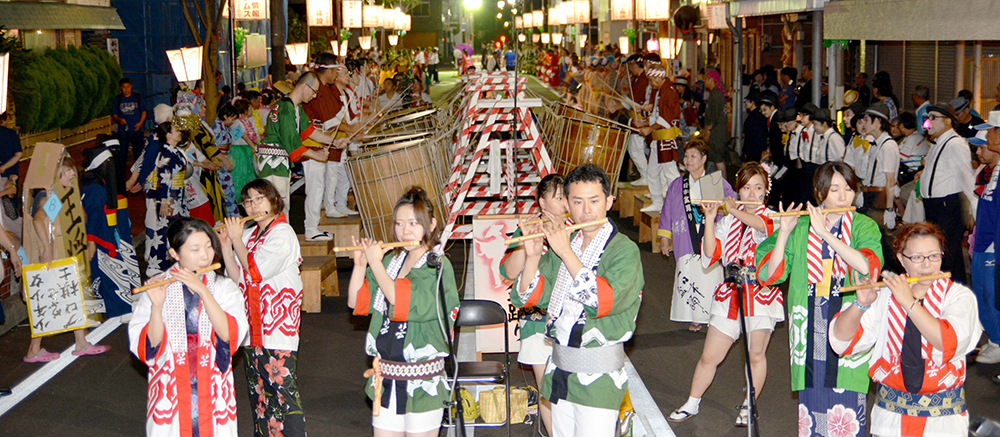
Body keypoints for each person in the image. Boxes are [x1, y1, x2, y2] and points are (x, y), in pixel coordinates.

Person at [513, 164, 642, 437]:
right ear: (568, 204)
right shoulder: (567, 244)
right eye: (577, 201)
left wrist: (563, 250)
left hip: (599, 376)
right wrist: (534, 257)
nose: (586, 210)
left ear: (609, 201)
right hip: (560, 368)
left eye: (594, 201)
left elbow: (601, 300)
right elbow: (527, 297)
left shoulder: (624, 250)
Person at [756, 161, 884, 437]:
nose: (842, 196)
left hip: (849, 324)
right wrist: (785, 233)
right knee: (813, 413)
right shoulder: (801, 226)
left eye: (848, 189)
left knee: (847, 413)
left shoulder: (864, 225)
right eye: (834, 189)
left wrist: (826, 233)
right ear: (819, 192)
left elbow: (867, 267)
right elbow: (770, 276)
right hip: (810, 326)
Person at [830, 222, 981, 437]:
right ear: (901, 259)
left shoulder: (959, 296)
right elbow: (841, 341)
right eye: (918, 258)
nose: (927, 265)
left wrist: (908, 302)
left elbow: (947, 341)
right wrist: (860, 305)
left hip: (943, 422)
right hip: (889, 420)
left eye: (934, 256)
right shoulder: (885, 295)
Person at [668, 163, 783, 427]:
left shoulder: (773, 218)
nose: (752, 194)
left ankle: (748, 405)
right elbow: (710, 255)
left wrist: (731, 209)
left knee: (755, 355)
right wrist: (710, 218)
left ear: (766, 191)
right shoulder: (729, 219)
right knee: (709, 356)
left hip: (760, 295)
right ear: (739, 190)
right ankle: (692, 402)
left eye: (758, 188)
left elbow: (762, 227)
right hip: (730, 294)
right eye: (746, 188)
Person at [348, 186, 459, 436]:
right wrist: (360, 265)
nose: (404, 230)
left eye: (413, 222)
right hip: (386, 376)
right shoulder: (391, 261)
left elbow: (401, 301)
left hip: (423, 381)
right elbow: (356, 303)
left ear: (431, 224)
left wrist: (375, 264)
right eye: (398, 223)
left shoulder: (438, 265)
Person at [128, 217, 249, 436]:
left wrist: (203, 291)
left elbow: (229, 337)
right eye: (195, 249)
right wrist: (156, 307)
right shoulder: (158, 284)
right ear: (174, 253)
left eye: (209, 246)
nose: (205, 255)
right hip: (171, 385)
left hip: (212, 383)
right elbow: (149, 348)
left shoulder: (225, 288)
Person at [219, 179, 306, 436]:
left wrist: (236, 241)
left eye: (259, 198)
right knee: (260, 397)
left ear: (273, 200)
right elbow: (236, 278)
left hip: (277, 325)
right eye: (248, 201)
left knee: (283, 394)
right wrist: (226, 244)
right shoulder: (247, 235)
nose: (253, 205)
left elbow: (255, 271)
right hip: (252, 325)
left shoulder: (283, 233)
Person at [23, 154, 111, 362]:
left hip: (64, 258)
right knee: (47, 304)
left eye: (72, 169)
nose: (73, 173)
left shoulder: (65, 194)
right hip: (55, 259)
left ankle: (80, 343)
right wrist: (46, 248)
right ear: (55, 175)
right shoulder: (52, 197)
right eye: (67, 171)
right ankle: (34, 349)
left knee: (70, 299)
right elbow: (38, 220)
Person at [501, 174, 568, 436]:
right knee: (548, 392)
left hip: (570, 322)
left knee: (572, 391)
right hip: (538, 323)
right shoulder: (528, 229)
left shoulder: (576, 228)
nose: (565, 202)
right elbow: (507, 273)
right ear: (542, 202)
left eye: (567, 196)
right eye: (559, 197)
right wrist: (526, 245)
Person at [659, 141, 735, 332]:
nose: (688, 160)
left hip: (710, 236)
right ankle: (694, 317)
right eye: (686, 156)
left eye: (693, 156)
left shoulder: (715, 182)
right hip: (684, 237)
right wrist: (664, 237)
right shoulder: (678, 184)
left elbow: (730, 207)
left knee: (710, 277)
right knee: (688, 273)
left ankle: (713, 316)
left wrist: (727, 205)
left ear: (703, 158)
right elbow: (667, 210)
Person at [258, 72, 337, 211]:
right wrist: (316, 155)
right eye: (314, 92)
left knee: (279, 205)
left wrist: (334, 141)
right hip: (273, 161)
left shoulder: (295, 106)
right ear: (304, 87)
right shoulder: (286, 109)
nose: (314, 96)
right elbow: (292, 142)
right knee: (278, 207)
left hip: (278, 160)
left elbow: (308, 131)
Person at [80, 144, 139, 318]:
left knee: (109, 273)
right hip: (100, 237)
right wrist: (92, 241)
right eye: (108, 161)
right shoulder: (95, 187)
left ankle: (114, 309)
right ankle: (118, 311)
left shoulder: (97, 181)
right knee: (111, 274)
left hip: (105, 233)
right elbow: (93, 216)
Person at [920, 103, 976, 283]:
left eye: (933, 118)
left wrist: (973, 209)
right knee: (941, 253)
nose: (929, 122)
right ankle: (949, 291)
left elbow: (966, 179)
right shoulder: (938, 143)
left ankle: (954, 292)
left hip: (947, 206)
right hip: (934, 206)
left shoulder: (955, 144)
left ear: (948, 121)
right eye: (928, 118)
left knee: (947, 254)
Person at [969, 114, 1000, 367]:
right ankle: (994, 340)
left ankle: (998, 340)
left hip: (993, 247)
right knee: (982, 293)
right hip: (983, 243)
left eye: (988, 134)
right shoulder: (991, 172)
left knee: (992, 294)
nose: (983, 145)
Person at [144, 121, 189, 278]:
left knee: (171, 230)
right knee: (164, 230)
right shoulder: (166, 153)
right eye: (176, 130)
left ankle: (168, 262)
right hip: (169, 198)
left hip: (176, 196)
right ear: (168, 134)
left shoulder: (173, 151)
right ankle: (156, 265)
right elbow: (163, 178)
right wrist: (163, 201)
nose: (179, 132)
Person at [638, 64, 682, 213]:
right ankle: (657, 201)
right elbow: (658, 114)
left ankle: (680, 203)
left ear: (658, 77)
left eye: (651, 79)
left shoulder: (668, 92)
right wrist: (647, 122)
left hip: (666, 139)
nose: (650, 83)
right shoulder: (661, 91)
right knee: (652, 171)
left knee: (671, 173)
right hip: (659, 139)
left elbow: (667, 118)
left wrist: (649, 128)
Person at [210, 103, 240, 217]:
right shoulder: (217, 127)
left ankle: (232, 214)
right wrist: (224, 161)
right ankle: (231, 215)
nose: (233, 121)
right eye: (232, 119)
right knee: (226, 191)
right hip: (220, 161)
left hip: (225, 159)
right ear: (225, 116)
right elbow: (214, 147)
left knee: (229, 190)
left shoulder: (225, 127)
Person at [624, 55, 650, 186]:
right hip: (638, 119)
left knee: (635, 149)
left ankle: (646, 176)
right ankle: (646, 175)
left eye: (630, 67)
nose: (630, 70)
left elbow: (634, 101)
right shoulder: (638, 79)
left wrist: (621, 104)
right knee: (636, 149)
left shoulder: (643, 80)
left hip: (642, 120)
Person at [110, 77, 147, 168]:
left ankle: (138, 176)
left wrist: (140, 123)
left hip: (137, 131)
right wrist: (119, 120)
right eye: (124, 87)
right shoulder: (118, 99)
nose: (126, 89)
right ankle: (122, 177)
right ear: (120, 88)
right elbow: (114, 114)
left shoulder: (137, 97)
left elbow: (144, 112)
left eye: (128, 86)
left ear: (131, 87)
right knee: (122, 155)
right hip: (123, 132)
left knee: (139, 155)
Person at [229, 99, 261, 202]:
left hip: (245, 150)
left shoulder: (245, 121)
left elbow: (251, 137)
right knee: (240, 175)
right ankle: (239, 198)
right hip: (239, 151)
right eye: (249, 108)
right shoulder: (238, 122)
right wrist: (256, 148)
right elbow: (245, 137)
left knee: (247, 174)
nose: (251, 110)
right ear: (245, 110)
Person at [704, 70, 730, 179]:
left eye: (705, 79)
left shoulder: (715, 95)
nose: (704, 81)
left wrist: (707, 132)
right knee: (716, 160)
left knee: (719, 161)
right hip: (720, 131)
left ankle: (724, 187)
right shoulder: (717, 94)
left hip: (717, 133)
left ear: (711, 80)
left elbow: (713, 117)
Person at [896, 112, 927, 187]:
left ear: (902, 125)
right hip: (909, 171)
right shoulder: (911, 136)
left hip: (911, 173)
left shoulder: (913, 138)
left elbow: (900, 156)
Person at [742, 90, 769, 163]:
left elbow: (753, 135)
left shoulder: (754, 116)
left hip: (754, 150)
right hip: (757, 149)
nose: (745, 103)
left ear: (752, 102)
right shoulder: (757, 115)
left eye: (747, 101)